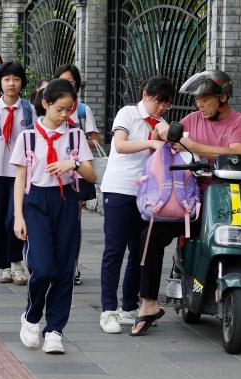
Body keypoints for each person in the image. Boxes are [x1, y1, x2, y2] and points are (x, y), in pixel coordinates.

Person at [137, 70, 241, 340]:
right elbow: (168, 137)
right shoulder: (191, 119)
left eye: (205, 99)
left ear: (223, 97)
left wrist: (194, 145)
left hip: (231, 199)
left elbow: (236, 150)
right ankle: (148, 302)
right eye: (197, 100)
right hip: (193, 200)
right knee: (151, 235)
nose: (199, 105)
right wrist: (162, 132)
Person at [12, 79, 96, 354]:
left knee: (63, 270)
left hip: (67, 202)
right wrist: (18, 216)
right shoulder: (28, 136)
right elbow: (20, 178)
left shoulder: (75, 136)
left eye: (69, 110)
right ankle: (32, 316)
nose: (65, 115)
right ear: (46, 103)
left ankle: (55, 330)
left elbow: (92, 175)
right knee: (43, 267)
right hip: (36, 201)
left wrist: (71, 163)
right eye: (60, 109)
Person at [98, 76, 174, 334]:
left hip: (147, 195)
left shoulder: (162, 124)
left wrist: (161, 137)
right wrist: (151, 141)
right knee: (114, 250)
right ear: (145, 95)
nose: (161, 108)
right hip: (119, 189)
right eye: (157, 101)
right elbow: (119, 145)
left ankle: (129, 306)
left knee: (139, 251)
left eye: (166, 104)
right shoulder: (128, 113)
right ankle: (108, 310)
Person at [0, 61, 34, 286]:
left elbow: (34, 141)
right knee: (0, 219)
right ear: (0, 83)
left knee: (15, 216)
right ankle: (2, 265)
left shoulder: (29, 110)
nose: (11, 84)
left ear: (22, 83)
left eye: (16, 79)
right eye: (7, 79)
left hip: (21, 173)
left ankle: (16, 262)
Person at [54, 64, 102, 285]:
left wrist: (78, 142)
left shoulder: (83, 110)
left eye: (71, 82)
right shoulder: (49, 108)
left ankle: (72, 264)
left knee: (74, 221)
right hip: (53, 172)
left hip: (77, 172)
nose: (67, 85)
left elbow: (95, 139)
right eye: (63, 81)